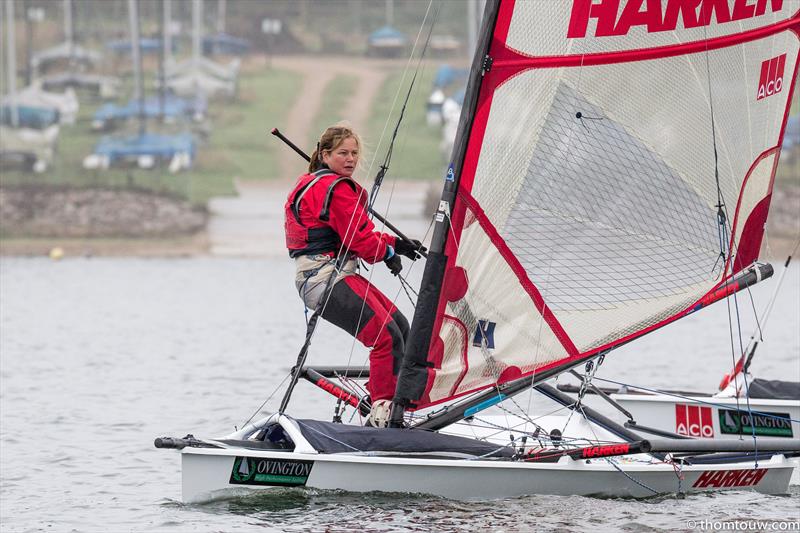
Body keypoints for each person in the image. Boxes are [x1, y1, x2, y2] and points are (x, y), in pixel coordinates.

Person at [284, 124, 425, 427]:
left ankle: (393, 406)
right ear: (325, 154)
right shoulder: (336, 189)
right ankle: (382, 413)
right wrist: (386, 252)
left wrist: (395, 245)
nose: (350, 159)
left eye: (354, 153)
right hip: (324, 278)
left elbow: (356, 235)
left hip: (332, 274)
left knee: (401, 327)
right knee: (386, 336)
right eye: (342, 153)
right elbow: (362, 243)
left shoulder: (320, 183)